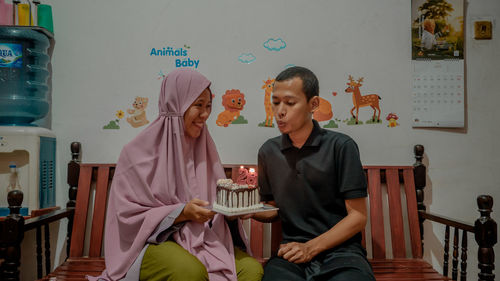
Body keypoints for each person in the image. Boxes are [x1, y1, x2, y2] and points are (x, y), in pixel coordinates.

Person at [88, 69, 263, 281]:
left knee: (251, 270)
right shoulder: (135, 153)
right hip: (151, 243)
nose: (205, 114)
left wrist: (232, 212)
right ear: (176, 104)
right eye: (198, 105)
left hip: (202, 239)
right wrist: (181, 213)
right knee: (189, 272)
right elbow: (127, 216)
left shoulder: (205, 148)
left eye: (208, 106)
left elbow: (216, 204)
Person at [251, 66, 375, 281]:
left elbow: (358, 216)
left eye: (290, 103)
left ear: (313, 104)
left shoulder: (341, 146)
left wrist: (310, 247)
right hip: (290, 254)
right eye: (276, 101)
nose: (280, 111)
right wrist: (247, 210)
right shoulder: (268, 151)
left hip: (342, 253)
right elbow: (273, 207)